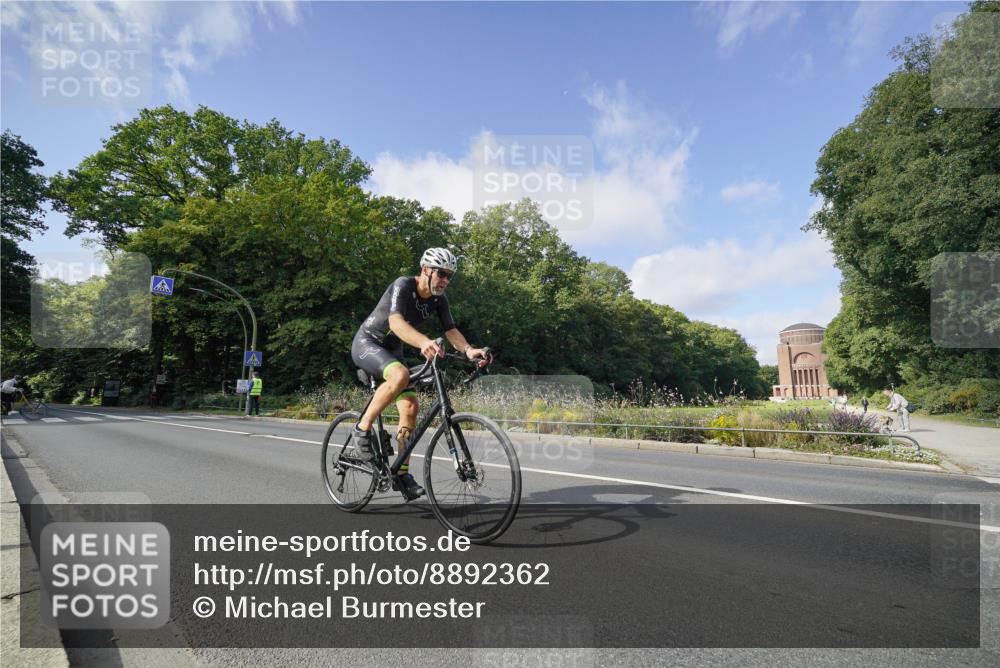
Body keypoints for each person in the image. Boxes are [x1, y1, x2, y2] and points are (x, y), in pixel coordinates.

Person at [350, 247, 489, 501]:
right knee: (400, 375)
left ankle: (401, 474)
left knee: (411, 407)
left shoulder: (439, 300)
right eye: (441, 274)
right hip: (368, 343)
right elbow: (395, 323)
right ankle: (361, 429)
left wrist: (469, 351)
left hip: (393, 353)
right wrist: (424, 342)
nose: (445, 280)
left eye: (449, 276)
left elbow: (451, 330)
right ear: (426, 269)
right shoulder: (403, 285)